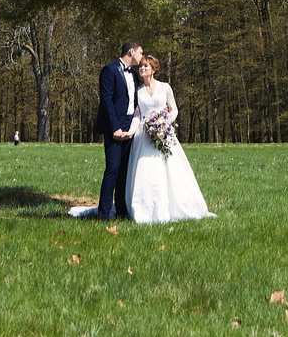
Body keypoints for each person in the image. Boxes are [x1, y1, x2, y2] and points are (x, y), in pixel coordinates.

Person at [121, 55, 212, 224]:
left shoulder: (165, 88)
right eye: (141, 66)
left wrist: (164, 124)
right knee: (146, 171)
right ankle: (145, 208)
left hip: (164, 134)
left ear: (154, 69)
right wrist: (131, 131)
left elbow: (174, 109)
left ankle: (174, 206)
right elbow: (137, 115)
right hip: (143, 137)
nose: (142, 69)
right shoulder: (138, 92)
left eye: (146, 66)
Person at [74, 39, 145, 220]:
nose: (141, 56)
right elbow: (106, 101)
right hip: (114, 128)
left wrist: (133, 128)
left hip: (130, 128)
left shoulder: (135, 75)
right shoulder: (109, 70)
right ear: (131, 51)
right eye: (140, 52)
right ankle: (103, 214)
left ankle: (121, 211)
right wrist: (115, 128)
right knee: (112, 170)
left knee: (124, 173)